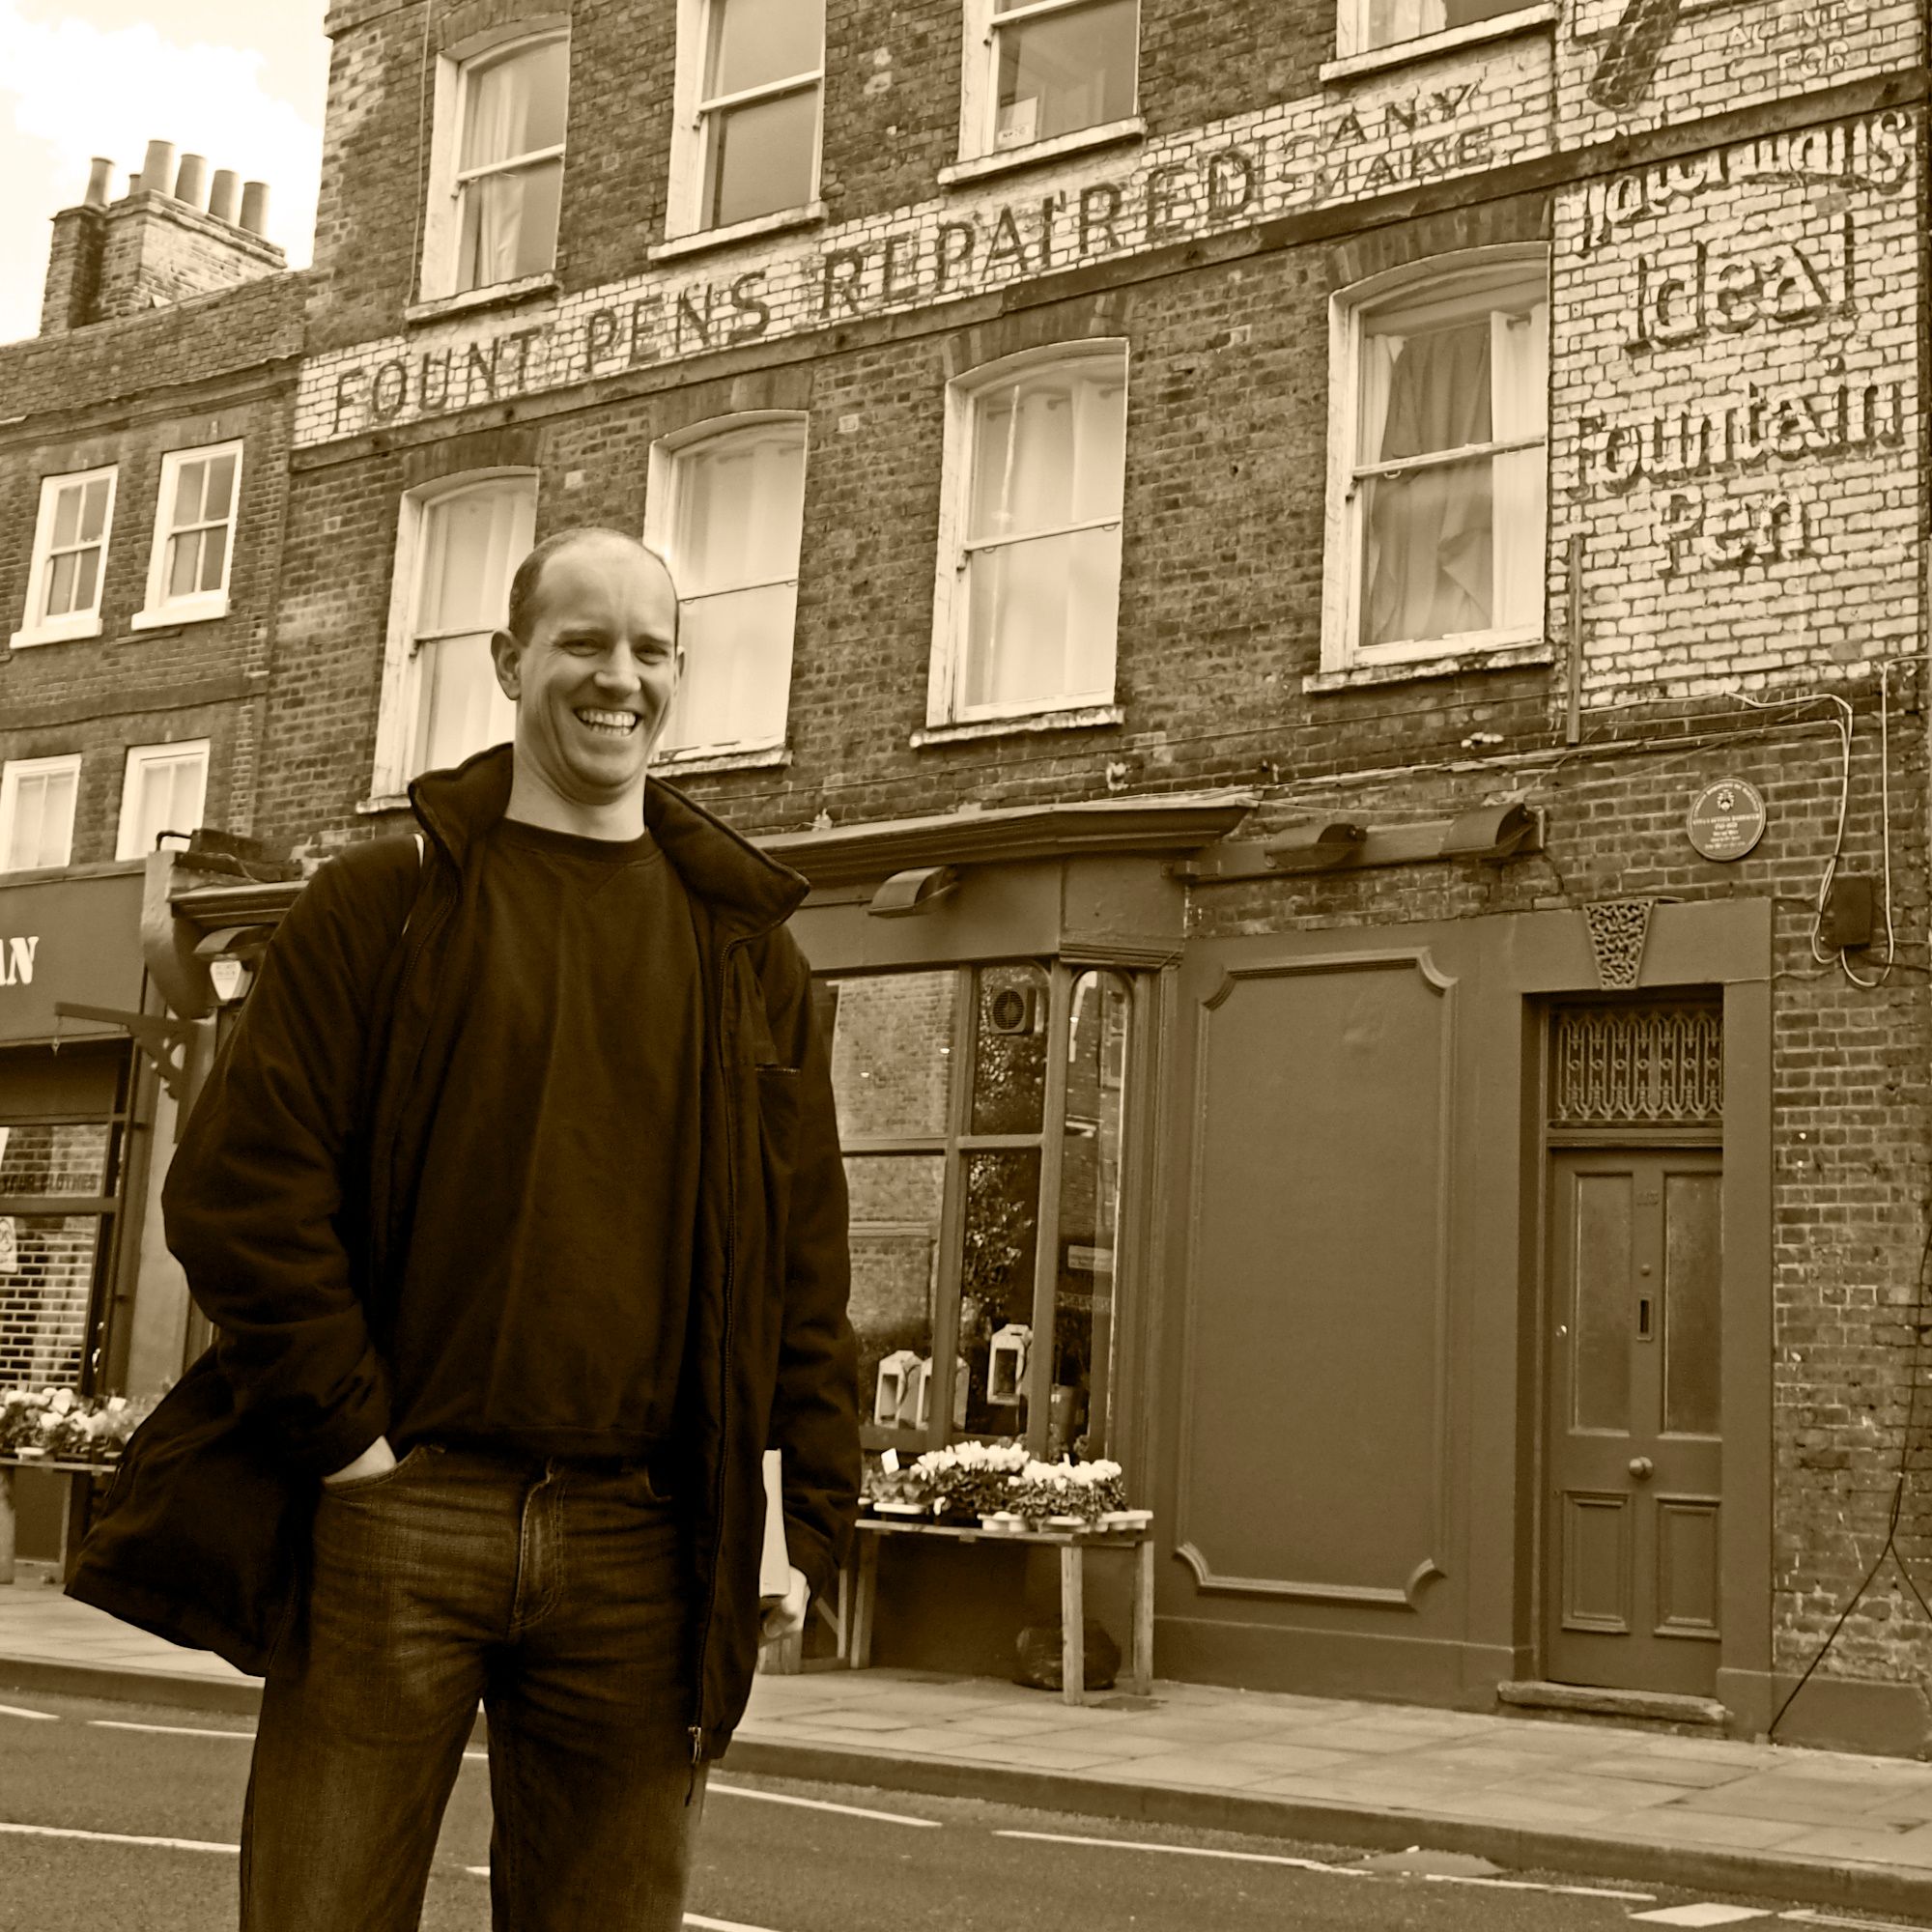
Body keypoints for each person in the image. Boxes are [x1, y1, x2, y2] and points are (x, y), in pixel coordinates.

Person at [133, 528, 858, 1929]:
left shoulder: (747, 951)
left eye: (651, 649)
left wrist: (792, 1512)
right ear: (510, 661)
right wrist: (350, 1445)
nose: (619, 677)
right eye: (585, 641)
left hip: (651, 1538)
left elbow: (800, 1262)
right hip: (402, 1514)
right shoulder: (383, 905)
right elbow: (240, 1189)